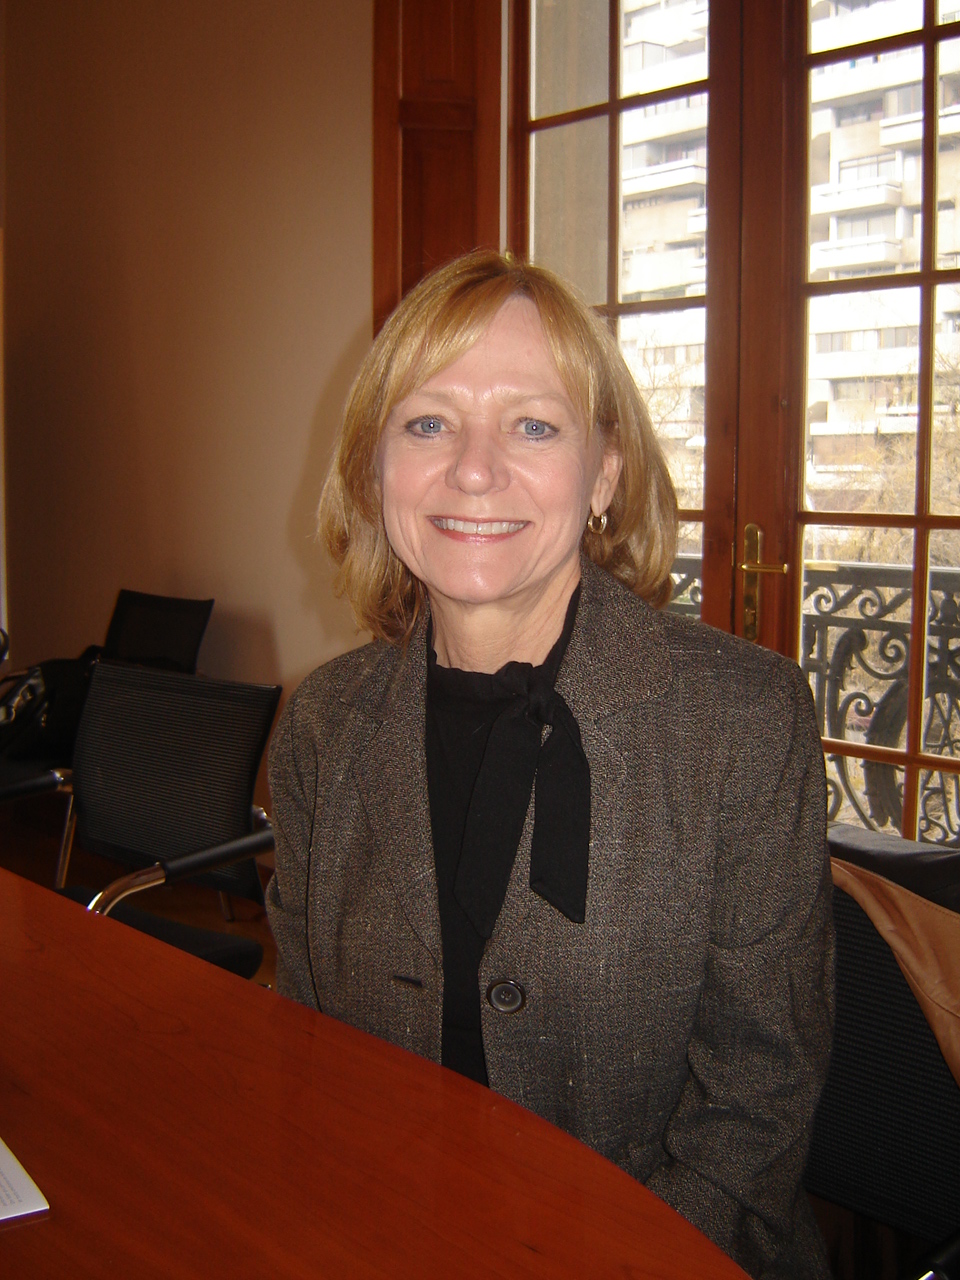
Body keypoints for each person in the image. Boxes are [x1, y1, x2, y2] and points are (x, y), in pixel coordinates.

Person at [266, 250, 834, 1279]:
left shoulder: (744, 722)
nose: (473, 469)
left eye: (533, 425)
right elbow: (306, 1046)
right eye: (428, 423)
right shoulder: (322, 722)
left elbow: (757, 1107)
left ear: (605, 470)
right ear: (374, 468)